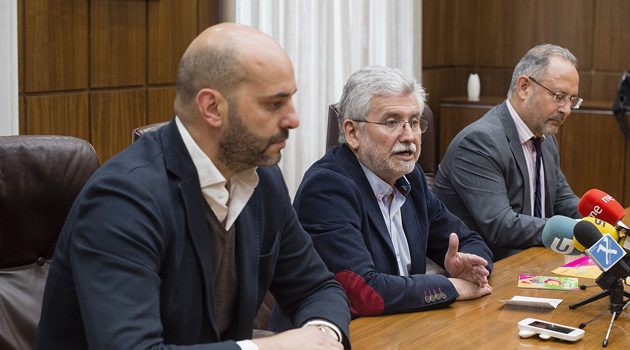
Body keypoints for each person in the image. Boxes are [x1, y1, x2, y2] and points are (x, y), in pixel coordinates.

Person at [35, 23, 350, 349]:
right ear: (212, 107)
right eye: (274, 104)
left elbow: (318, 287)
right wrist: (268, 348)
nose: (293, 119)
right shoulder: (121, 201)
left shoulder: (263, 180)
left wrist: (321, 335)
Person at [293, 66, 493, 317]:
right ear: (352, 132)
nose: (409, 136)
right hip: (341, 334)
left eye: (414, 122)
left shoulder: (411, 178)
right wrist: (452, 286)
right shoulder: (327, 189)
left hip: (402, 326)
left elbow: (470, 240)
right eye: (392, 122)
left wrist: (472, 267)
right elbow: (364, 292)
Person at [433, 44, 582, 261]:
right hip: (487, 268)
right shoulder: (479, 142)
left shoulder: (545, 138)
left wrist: (599, 225)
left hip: (532, 260)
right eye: (559, 96)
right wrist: (574, 231)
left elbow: (562, 200)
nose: (566, 109)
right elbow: (500, 225)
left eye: (572, 100)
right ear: (524, 87)